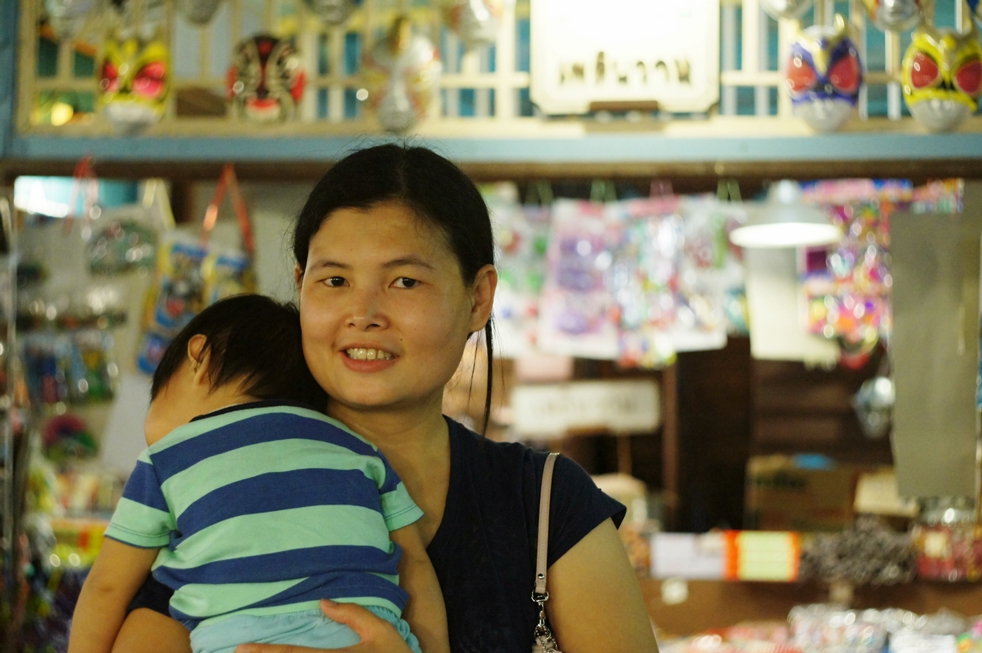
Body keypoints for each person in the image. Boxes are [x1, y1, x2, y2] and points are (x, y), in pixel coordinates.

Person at [113, 144, 660, 653]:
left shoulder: (544, 504)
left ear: (478, 298)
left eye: (404, 282)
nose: (364, 314)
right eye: (334, 281)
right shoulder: (212, 486)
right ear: (300, 286)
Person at [69, 294, 448, 653]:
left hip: (242, 642)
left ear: (200, 357)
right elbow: (414, 563)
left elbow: (106, 588)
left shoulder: (167, 459)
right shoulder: (360, 450)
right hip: (367, 637)